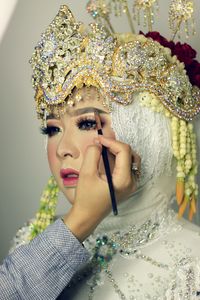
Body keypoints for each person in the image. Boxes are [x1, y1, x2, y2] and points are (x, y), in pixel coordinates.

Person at [2, 2, 200, 299]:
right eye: (53, 129)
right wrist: (79, 221)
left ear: (147, 131)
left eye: (86, 123)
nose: (62, 150)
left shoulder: (193, 265)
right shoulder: (32, 241)